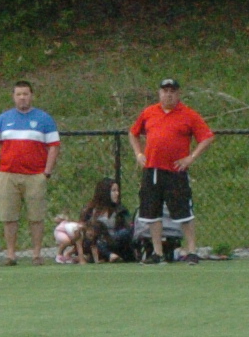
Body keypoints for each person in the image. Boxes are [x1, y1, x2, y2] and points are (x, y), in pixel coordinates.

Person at [129, 79, 215, 262]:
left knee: (183, 212)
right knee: (152, 212)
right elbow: (133, 133)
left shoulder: (188, 115)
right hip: (153, 169)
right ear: (159, 93)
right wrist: (138, 154)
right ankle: (157, 252)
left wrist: (191, 157)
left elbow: (207, 137)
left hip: (175, 170)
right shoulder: (149, 112)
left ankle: (191, 251)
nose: (168, 95)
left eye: (172, 91)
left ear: (178, 94)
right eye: (165, 91)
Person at [0, 79, 60, 266]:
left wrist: (46, 172)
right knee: (9, 217)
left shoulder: (44, 119)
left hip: (35, 176)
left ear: (31, 96)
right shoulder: (3, 119)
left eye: (25, 94)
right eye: (18, 94)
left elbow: (53, 146)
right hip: (7, 175)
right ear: (13, 96)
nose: (22, 98)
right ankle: (11, 254)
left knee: (36, 217)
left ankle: (36, 254)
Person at [82, 177, 137, 263]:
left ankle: (110, 255)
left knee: (126, 232)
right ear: (105, 192)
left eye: (117, 191)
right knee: (96, 240)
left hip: (114, 240)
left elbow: (128, 228)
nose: (117, 193)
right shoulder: (91, 209)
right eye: (113, 191)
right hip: (97, 241)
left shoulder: (120, 210)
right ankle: (109, 255)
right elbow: (84, 228)